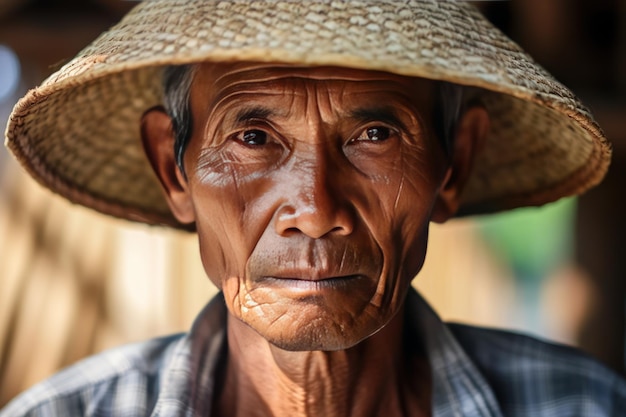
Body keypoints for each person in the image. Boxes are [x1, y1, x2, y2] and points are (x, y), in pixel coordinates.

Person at [1, 1, 625, 416]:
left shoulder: (584, 405)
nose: (316, 208)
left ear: (455, 162)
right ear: (173, 169)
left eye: (374, 136)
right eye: (252, 139)